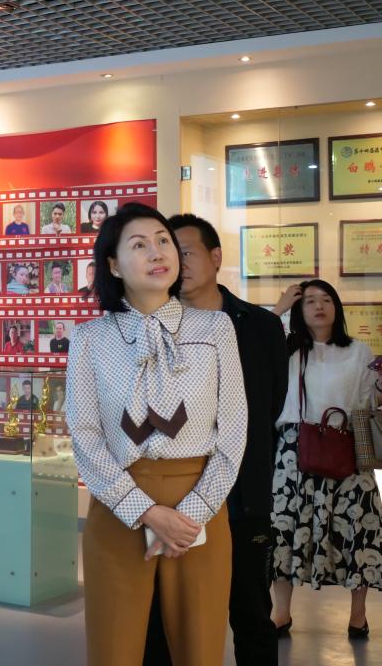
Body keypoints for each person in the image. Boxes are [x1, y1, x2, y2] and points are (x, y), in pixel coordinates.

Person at [65, 201, 246, 666]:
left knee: (200, 648)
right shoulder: (89, 338)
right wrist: (144, 510)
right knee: (114, 649)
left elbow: (233, 429)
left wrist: (192, 512)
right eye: (139, 245)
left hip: (199, 507)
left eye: (163, 241)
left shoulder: (216, 328)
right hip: (118, 505)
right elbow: (85, 433)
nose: (157, 252)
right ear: (113, 265)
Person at [140, 213, 288, 666]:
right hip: (173, 497)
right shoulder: (151, 325)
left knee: (251, 613)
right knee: (164, 618)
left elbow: (269, 406)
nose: (176, 262)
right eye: (169, 251)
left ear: (216, 257)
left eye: (186, 251)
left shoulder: (260, 327)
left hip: (242, 497)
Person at [268, 279, 381, 640]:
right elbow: (249, 351)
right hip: (294, 449)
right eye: (310, 301)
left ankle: (358, 615)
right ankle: (281, 612)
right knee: (284, 528)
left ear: (337, 307)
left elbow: (369, 401)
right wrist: (278, 309)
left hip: (347, 444)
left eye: (326, 299)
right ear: (298, 311)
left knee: (359, 527)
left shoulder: (359, 351)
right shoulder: (285, 349)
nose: (319, 306)